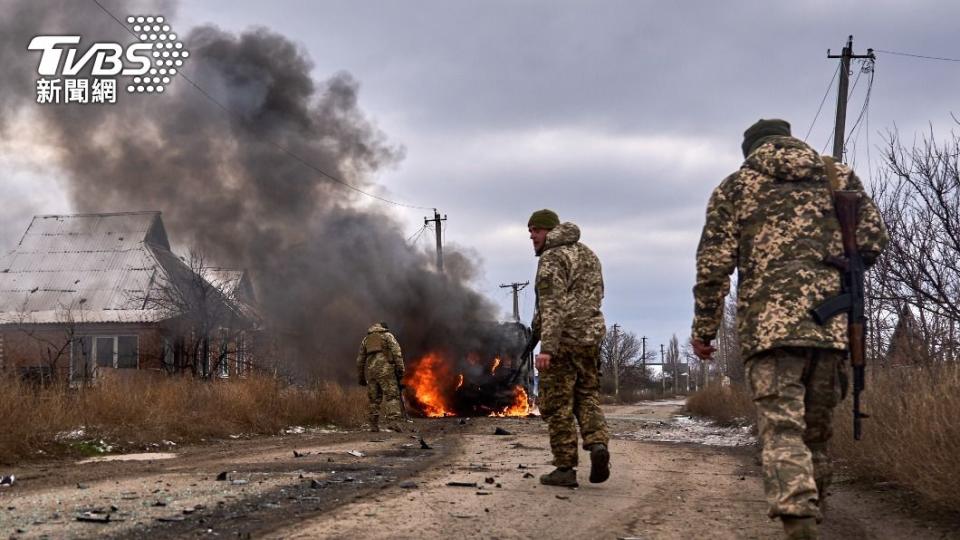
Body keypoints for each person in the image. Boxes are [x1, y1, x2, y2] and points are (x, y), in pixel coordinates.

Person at [691, 119, 888, 539]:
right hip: (832, 328)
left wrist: (704, 330)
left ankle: (797, 518)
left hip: (770, 334)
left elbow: (713, 267)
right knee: (816, 434)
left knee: (782, 429)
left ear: (751, 150)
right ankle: (815, 511)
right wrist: (832, 264)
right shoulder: (837, 175)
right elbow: (873, 240)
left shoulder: (735, 187)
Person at [527, 209, 610, 488]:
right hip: (590, 340)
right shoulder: (588, 254)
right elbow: (596, 296)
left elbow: (552, 306)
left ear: (549, 231)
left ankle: (565, 468)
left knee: (557, 405)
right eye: (530, 231)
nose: (531, 235)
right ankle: (597, 444)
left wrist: (546, 347)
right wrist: (533, 333)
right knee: (587, 396)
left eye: (535, 230)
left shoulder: (552, 258)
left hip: (562, 343)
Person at [356, 321, 405, 432]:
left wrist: (361, 377)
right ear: (384, 328)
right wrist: (400, 370)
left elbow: (360, 360)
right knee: (392, 396)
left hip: (371, 372)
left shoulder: (366, 339)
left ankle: (373, 425)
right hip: (385, 370)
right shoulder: (387, 336)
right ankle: (393, 422)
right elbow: (397, 352)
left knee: (374, 399)